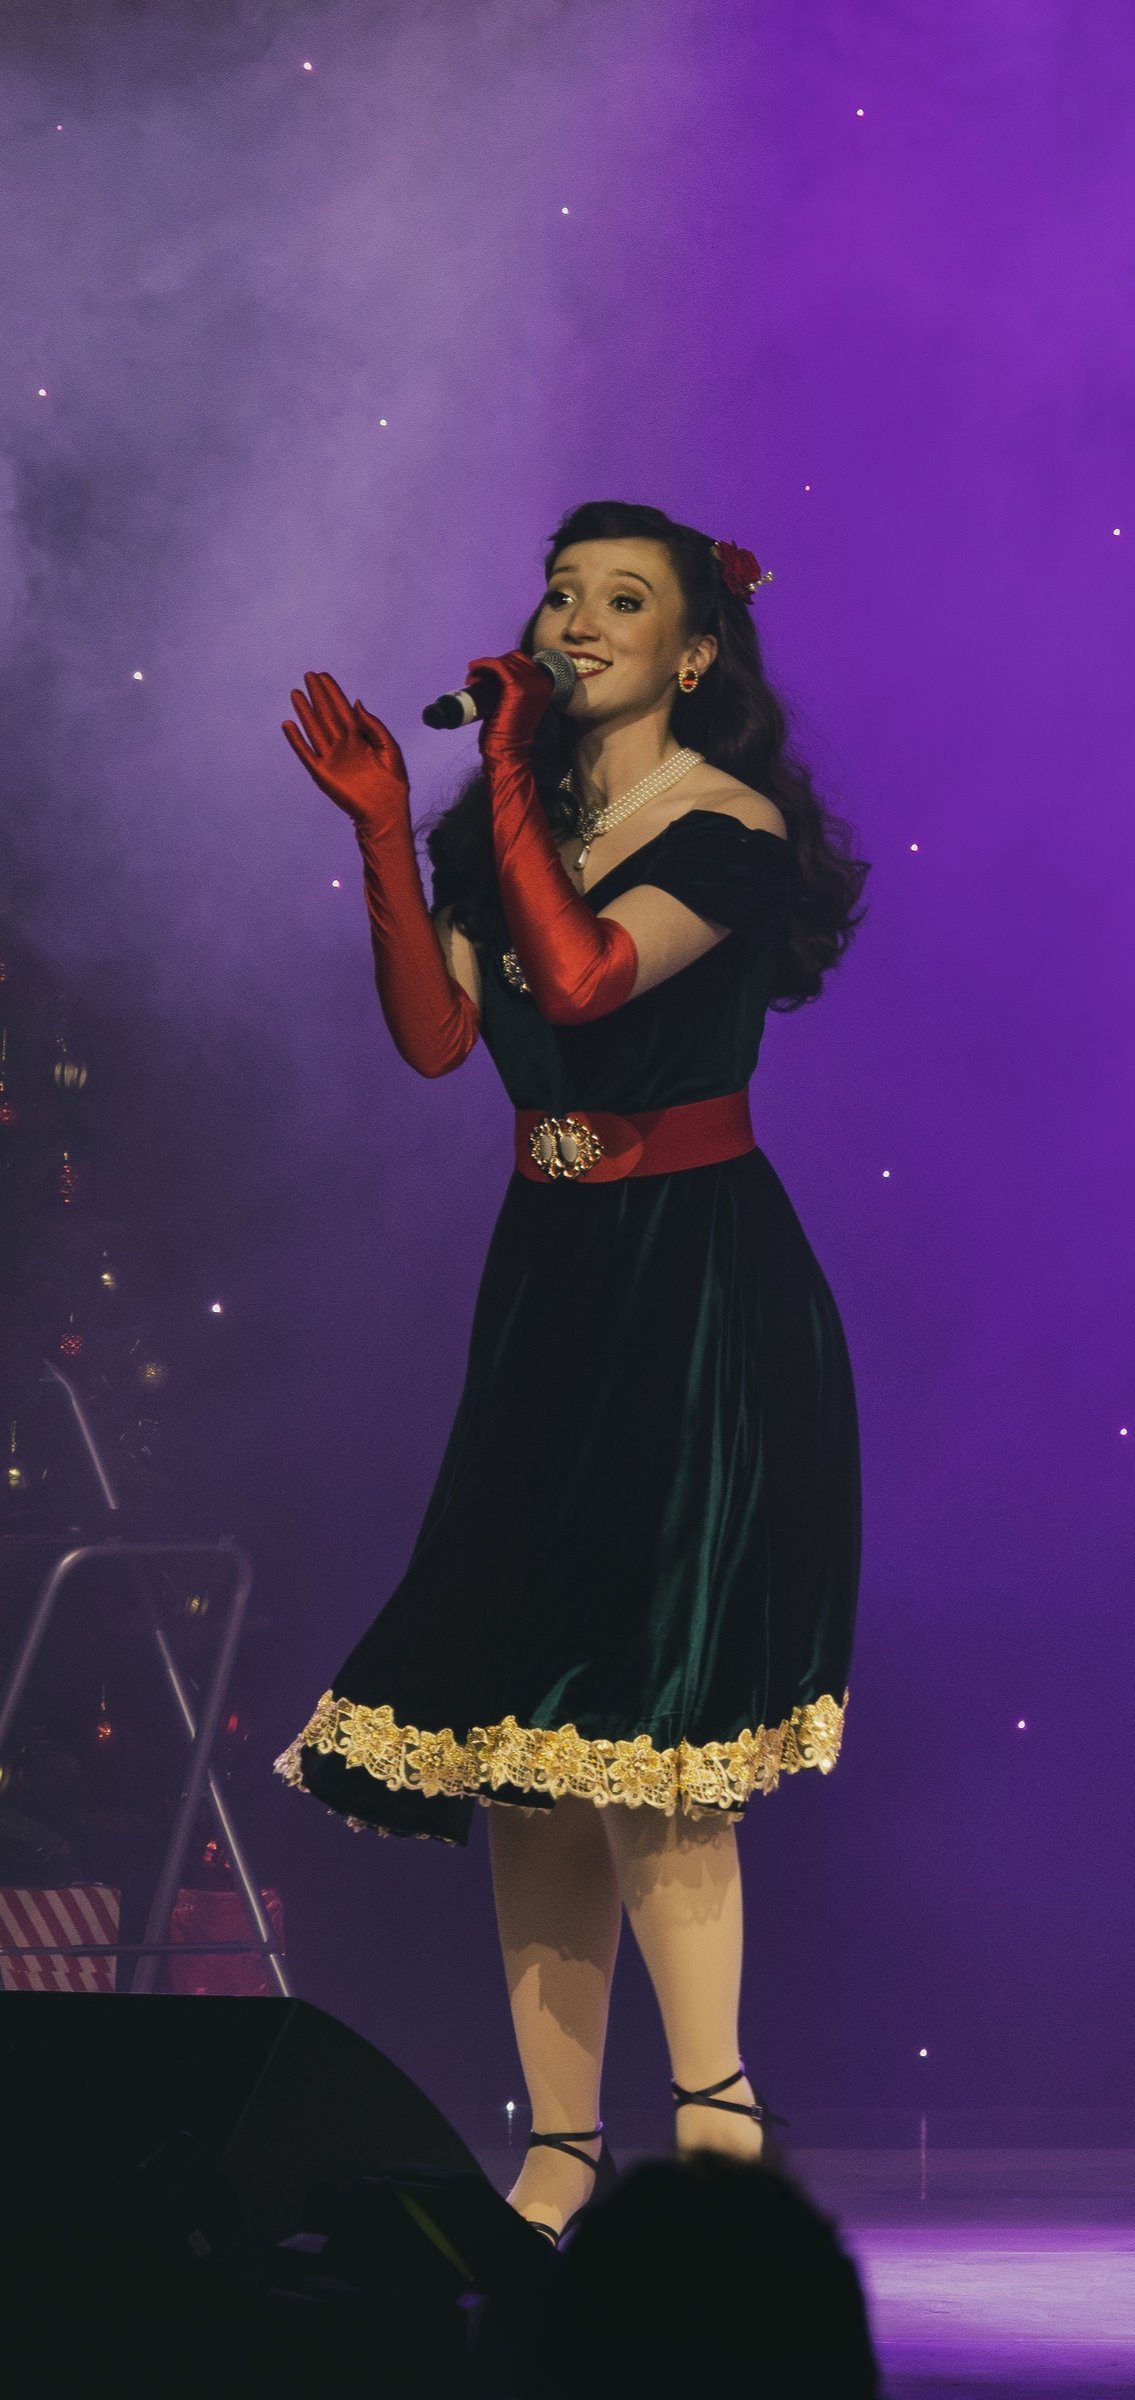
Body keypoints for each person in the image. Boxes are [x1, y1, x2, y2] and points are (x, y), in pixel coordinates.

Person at [274, 499, 868, 2248]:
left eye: (624, 600)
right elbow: (443, 1037)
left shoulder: (730, 827)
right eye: (560, 592)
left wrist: (509, 789)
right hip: (552, 1285)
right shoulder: (504, 825)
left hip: (694, 1285)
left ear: (694, 654)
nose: (577, 618)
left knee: (647, 1724)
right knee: (525, 1740)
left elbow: (593, 979)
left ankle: (719, 2132)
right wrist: (394, 833)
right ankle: (554, 2153)